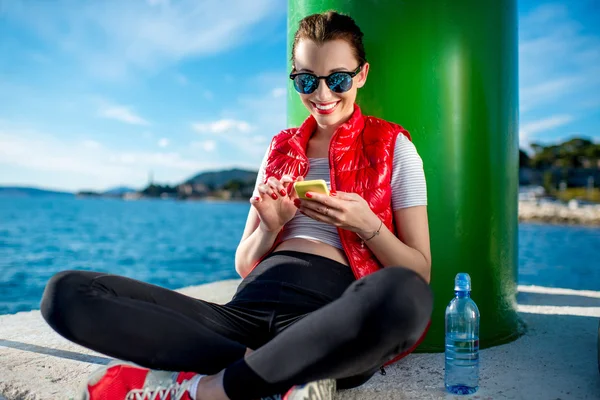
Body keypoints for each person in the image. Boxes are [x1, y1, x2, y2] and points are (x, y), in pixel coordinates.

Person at [40, 10, 433, 400]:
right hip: (243, 313)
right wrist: (270, 226)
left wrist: (367, 224)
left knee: (405, 296)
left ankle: (211, 388)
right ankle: (284, 372)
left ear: (361, 74)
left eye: (339, 79)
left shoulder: (393, 147)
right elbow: (245, 263)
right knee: (68, 293)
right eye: (308, 79)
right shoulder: (279, 148)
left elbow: (419, 271)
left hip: (329, 316)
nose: (322, 94)